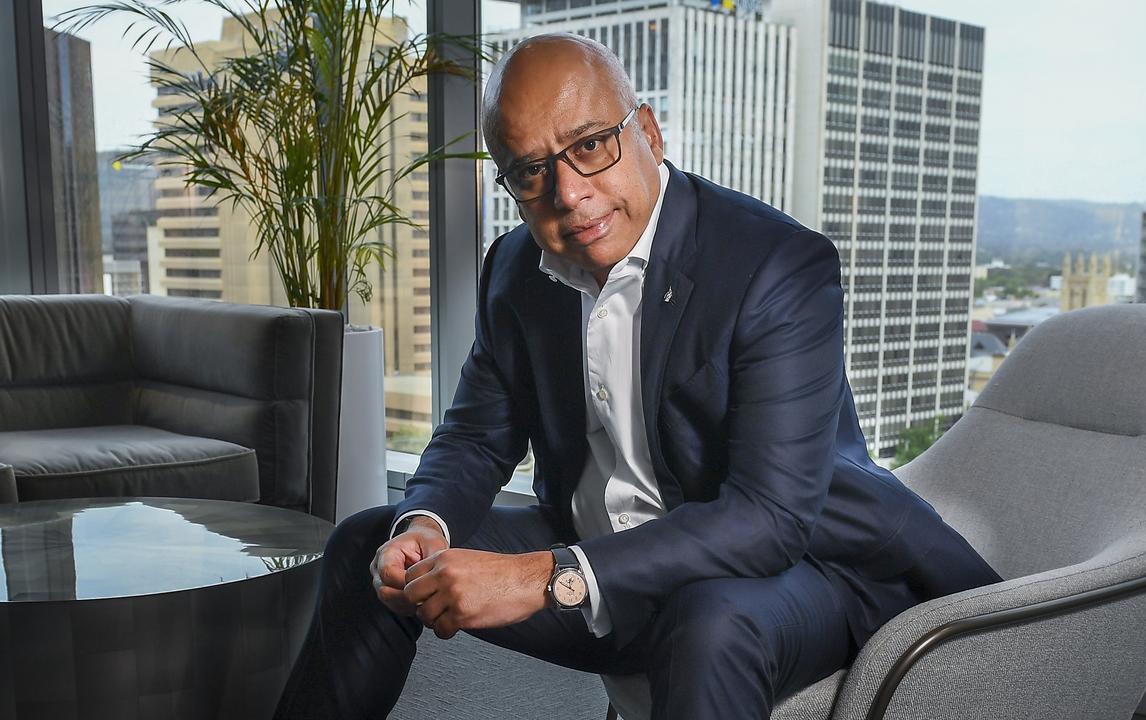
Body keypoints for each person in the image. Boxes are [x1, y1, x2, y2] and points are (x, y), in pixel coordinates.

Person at [274, 33, 1001, 720]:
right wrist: (424, 528)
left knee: (709, 619)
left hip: (797, 575)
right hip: (602, 554)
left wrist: (545, 576)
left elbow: (770, 520)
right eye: (531, 171)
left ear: (648, 133)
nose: (568, 193)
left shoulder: (775, 264)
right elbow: (474, 440)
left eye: (589, 145)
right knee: (370, 544)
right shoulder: (515, 271)